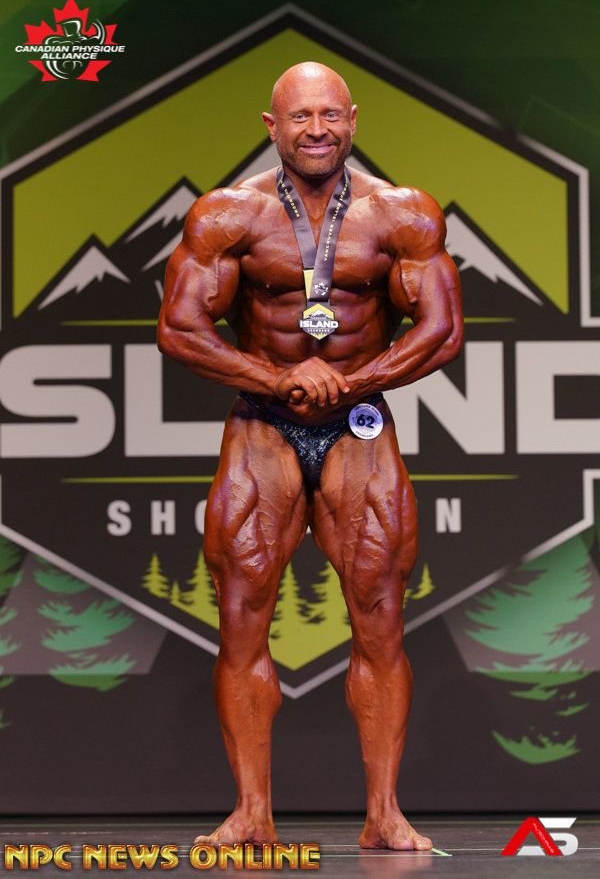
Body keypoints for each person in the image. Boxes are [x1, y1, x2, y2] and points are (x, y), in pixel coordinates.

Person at [158, 61, 463, 851]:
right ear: (273, 126)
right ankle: (251, 813)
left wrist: (349, 381)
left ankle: (385, 814)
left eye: (330, 114)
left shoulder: (402, 213)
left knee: (381, 618)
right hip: (263, 424)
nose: (317, 129)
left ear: (353, 120)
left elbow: (441, 330)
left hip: (359, 423)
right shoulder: (229, 214)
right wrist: (278, 378)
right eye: (301, 117)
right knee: (241, 618)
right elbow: (180, 328)